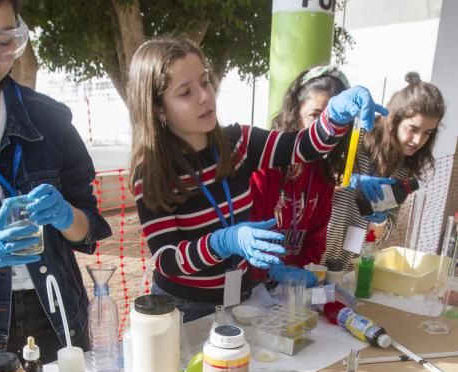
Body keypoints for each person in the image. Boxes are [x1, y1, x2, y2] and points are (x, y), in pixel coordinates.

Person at [128, 35, 385, 322]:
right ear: (158, 108)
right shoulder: (152, 172)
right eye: (185, 92)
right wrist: (221, 242)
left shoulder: (240, 143)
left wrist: (335, 116)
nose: (204, 96)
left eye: (205, 82)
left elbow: (304, 146)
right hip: (182, 307)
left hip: (238, 297)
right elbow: (166, 258)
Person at [0, 0, 111, 364]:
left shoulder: (50, 120)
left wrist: (65, 216)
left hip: (56, 313)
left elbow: (88, 226)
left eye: (4, 41)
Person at [322, 72, 446, 270]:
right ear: (395, 119)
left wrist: (380, 221)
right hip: (313, 254)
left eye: (427, 133)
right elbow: (316, 175)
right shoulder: (359, 133)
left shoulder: (404, 170)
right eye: (413, 129)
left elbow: (382, 234)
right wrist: (350, 180)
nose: (418, 141)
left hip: (346, 267)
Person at [250, 65, 351, 287]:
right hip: (250, 289)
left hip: (289, 290)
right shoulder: (265, 165)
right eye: (315, 116)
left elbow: (316, 240)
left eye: (336, 119)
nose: (327, 129)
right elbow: (248, 232)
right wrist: (270, 270)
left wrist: (298, 273)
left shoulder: (323, 175)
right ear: (294, 113)